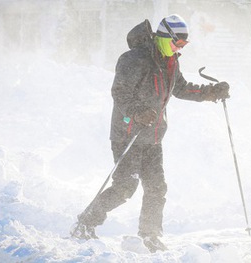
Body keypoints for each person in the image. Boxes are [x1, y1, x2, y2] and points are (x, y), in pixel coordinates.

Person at [71, 14, 230, 252]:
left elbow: (181, 88)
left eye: (183, 45)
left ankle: (150, 236)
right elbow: (120, 92)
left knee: (157, 187)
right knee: (125, 187)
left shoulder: (170, 61)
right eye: (178, 43)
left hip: (153, 136)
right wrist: (137, 112)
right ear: (164, 37)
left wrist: (211, 92)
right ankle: (84, 224)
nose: (180, 49)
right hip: (129, 133)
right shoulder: (134, 59)